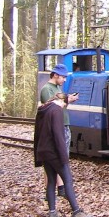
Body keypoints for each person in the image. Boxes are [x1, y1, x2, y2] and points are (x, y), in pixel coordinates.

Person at [34, 96, 94, 217]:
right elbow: (58, 134)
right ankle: (76, 211)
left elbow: (37, 133)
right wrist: (63, 156)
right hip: (54, 152)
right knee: (67, 180)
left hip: (44, 151)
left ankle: (52, 213)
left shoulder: (43, 110)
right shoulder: (56, 111)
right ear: (63, 102)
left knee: (51, 181)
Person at [39, 64, 78, 196]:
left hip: (64, 124)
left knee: (63, 156)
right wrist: (67, 100)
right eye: (63, 77)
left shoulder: (57, 88)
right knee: (54, 158)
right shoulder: (46, 89)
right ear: (55, 75)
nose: (65, 80)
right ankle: (50, 190)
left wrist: (67, 100)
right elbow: (50, 107)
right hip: (57, 126)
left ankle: (61, 188)